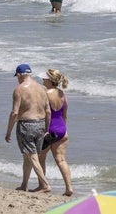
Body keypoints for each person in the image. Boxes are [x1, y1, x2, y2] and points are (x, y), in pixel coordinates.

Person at [5, 64, 51, 193]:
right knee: (28, 156)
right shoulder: (42, 88)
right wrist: (46, 128)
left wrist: (8, 132)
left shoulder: (19, 90)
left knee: (32, 156)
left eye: (17, 76)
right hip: (41, 124)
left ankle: (45, 184)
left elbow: (14, 113)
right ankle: (24, 185)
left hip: (26, 125)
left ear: (19, 75)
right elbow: (48, 111)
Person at [37, 69, 73, 197]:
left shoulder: (45, 93)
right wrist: (63, 131)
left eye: (44, 79)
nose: (42, 81)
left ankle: (43, 185)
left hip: (49, 130)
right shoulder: (62, 94)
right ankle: (69, 188)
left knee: (41, 158)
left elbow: (44, 113)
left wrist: (44, 131)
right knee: (61, 160)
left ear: (50, 80)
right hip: (62, 130)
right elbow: (64, 115)